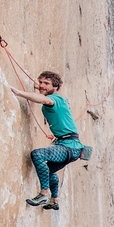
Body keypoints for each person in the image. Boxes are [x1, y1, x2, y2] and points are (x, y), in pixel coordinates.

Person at [11, 71, 82, 210]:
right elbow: (44, 94)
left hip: (69, 146)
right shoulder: (53, 98)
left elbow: (44, 100)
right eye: (40, 82)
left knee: (38, 154)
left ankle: (44, 193)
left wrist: (19, 93)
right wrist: (39, 87)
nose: (42, 85)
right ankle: (54, 200)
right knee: (48, 172)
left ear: (55, 87)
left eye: (46, 83)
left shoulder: (56, 99)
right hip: (71, 147)